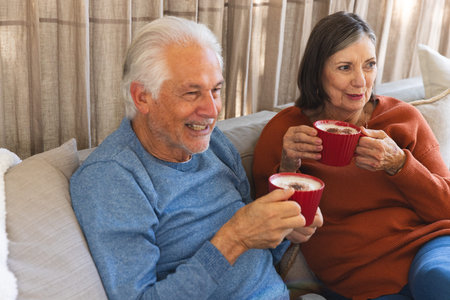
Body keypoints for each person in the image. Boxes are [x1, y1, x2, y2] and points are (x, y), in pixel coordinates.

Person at [70, 16, 323, 300]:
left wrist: (286, 230)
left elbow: (255, 255)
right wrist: (233, 239)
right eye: (192, 93)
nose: (212, 110)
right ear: (142, 97)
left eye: (215, 90)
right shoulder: (112, 179)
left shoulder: (215, 145)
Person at [252, 11, 450, 300]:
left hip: (430, 248)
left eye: (369, 65)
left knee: (437, 278)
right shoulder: (287, 133)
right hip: (359, 277)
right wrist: (287, 166)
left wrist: (400, 164)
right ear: (317, 73)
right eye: (345, 67)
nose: (361, 81)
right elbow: (271, 232)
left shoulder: (402, 118)